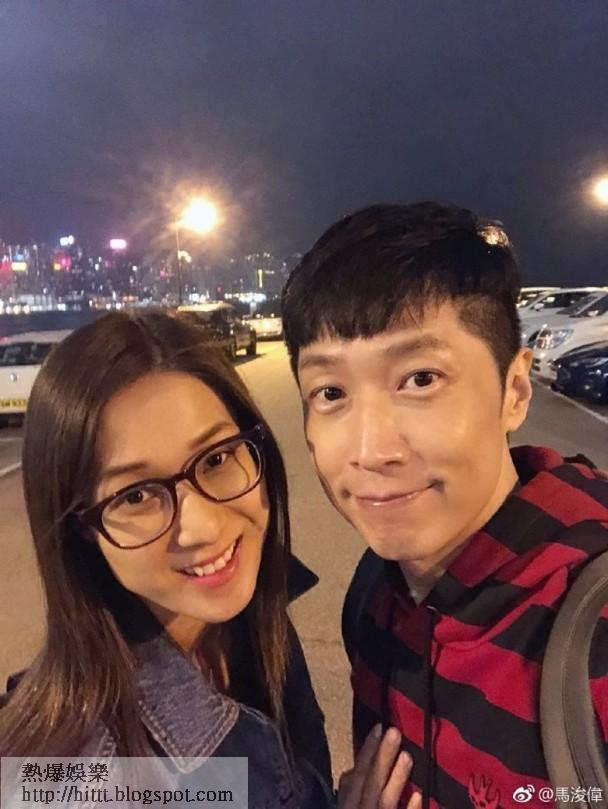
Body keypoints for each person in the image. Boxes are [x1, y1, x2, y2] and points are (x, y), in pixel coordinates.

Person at [0, 310, 420, 809]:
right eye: (136, 495)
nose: (202, 528)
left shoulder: (248, 619)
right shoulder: (78, 782)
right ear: (81, 530)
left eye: (217, 459)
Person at [280, 202, 608, 809]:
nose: (370, 451)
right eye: (330, 392)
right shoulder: (376, 596)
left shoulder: (593, 631)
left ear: (514, 391)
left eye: (421, 379)